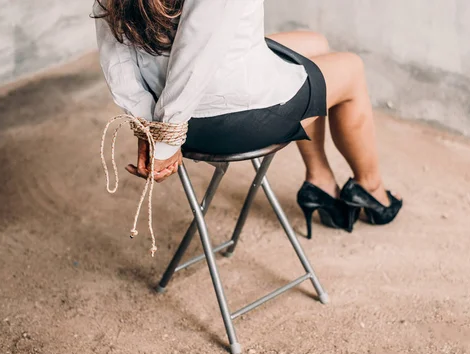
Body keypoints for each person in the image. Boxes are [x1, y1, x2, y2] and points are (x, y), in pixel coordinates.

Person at [93, 0, 402, 239]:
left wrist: (148, 127)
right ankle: (371, 188)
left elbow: (117, 61)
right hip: (222, 121)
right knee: (351, 69)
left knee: (315, 43)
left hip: (171, 110)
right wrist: (165, 138)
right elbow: (195, 55)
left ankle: (319, 179)